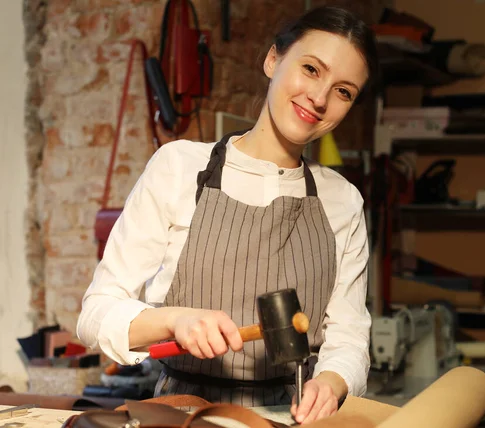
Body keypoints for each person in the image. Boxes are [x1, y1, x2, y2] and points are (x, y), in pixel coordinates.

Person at [77, 5, 379, 425]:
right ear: (273, 59)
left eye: (343, 91)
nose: (320, 98)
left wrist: (331, 382)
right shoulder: (179, 167)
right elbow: (95, 315)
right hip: (183, 416)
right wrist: (175, 320)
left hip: (288, 417)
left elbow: (348, 337)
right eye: (311, 69)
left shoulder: (342, 201)